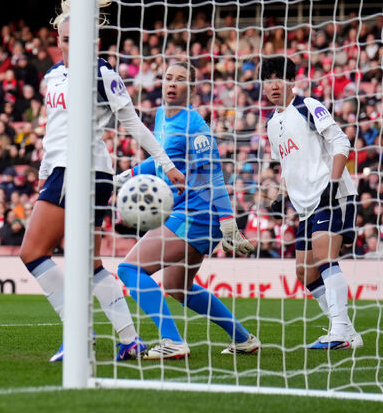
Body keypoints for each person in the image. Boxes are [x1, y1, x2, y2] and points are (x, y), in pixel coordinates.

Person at [21, 0, 185, 362]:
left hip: (84, 171)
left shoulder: (102, 74)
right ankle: (129, 339)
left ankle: (77, 335)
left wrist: (165, 164)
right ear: (58, 40)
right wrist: (45, 170)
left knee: (32, 252)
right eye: (65, 39)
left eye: (77, 39)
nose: (70, 45)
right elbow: (54, 131)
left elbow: (134, 126)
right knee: (90, 262)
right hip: (64, 170)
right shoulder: (53, 77)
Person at [115, 61, 259, 359]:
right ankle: (244, 339)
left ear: (191, 89)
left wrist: (228, 223)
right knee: (177, 286)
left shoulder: (196, 125)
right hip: (187, 213)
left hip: (197, 213)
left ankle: (173, 341)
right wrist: (124, 177)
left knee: (129, 269)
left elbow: (214, 174)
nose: (172, 83)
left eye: (180, 80)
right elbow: (160, 162)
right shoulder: (160, 117)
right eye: (168, 78)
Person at [259, 55, 361, 349]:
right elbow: (286, 165)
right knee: (305, 272)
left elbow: (342, 142)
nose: (274, 85)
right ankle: (347, 331)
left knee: (324, 254)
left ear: (292, 80)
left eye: (279, 78)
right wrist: (281, 197)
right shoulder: (271, 123)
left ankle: (339, 331)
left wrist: (332, 182)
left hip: (330, 192)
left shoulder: (308, 106)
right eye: (268, 80)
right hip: (303, 204)